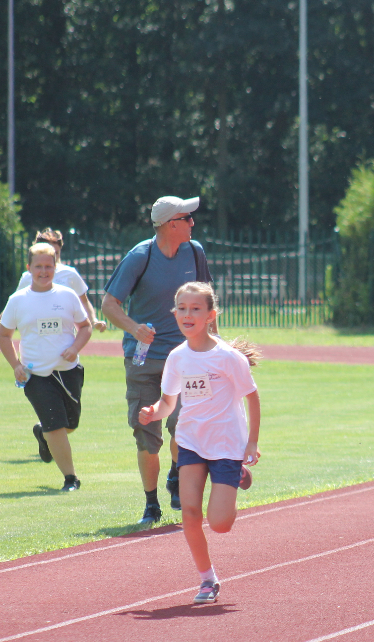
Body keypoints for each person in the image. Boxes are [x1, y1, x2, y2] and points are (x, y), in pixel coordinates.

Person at [139, 282, 260, 604]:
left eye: (196, 309)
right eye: (182, 308)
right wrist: (154, 412)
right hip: (191, 441)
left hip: (226, 445)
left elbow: (252, 397)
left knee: (220, 524)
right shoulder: (177, 358)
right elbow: (168, 402)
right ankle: (208, 579)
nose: (188, 314)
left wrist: (252, 444)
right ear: (174, 313)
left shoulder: (229, 357)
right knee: (190, 514)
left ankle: (235, 474)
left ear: (210, 315)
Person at [102, 196, 214, 524]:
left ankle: (177, 475)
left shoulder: (195, 252)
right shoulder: (141, 256)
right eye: (187, 218)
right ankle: (151, 504)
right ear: (170, 224)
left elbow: (207, 302)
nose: (193, 223)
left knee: (184, 424)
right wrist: (135, 328)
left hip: (185, 359)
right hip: (143, 361)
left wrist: (212, 345)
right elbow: (109, 304)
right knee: (147, 434)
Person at [0, 243, 92, 491]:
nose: (43, 271)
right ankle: (71, 478)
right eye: (38, 266)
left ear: (55, 267)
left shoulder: (67, 295)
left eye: (48, 266)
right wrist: (15, 364)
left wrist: (75, 349)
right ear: (28, 269)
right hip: (36, 374)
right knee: (55, 425)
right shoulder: (17, 300)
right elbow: (4, 335)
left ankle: (43, 433)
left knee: (70, 424)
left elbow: (85, 327)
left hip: (69, 371)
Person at [0, 229, 108, 336]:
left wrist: (94, 320)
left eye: (56, 253)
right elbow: (13, 306)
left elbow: (84, 301)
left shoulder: (69, 274)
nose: (51, 257)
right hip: (35, 337)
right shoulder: (28, 277)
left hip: (64, 340)